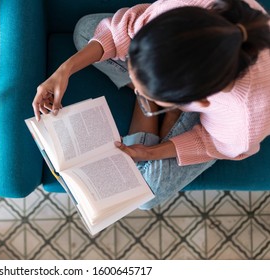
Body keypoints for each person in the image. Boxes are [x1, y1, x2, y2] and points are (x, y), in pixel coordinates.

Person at [32, 0, 270, 209]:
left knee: (142, 194)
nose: (135, 85)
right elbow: (125, 28)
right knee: (86, 31)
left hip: (216, 124)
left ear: (197, 102)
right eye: (136, 81)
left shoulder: (245, 119)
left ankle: (163, 112)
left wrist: (150, 152)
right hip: (195, 76)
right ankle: (155, 103)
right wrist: (64, 71)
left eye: (147, 93)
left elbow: (212, 142)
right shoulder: (178, 12)